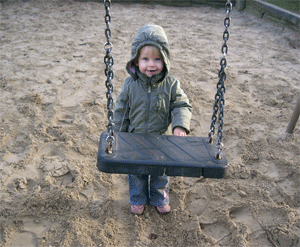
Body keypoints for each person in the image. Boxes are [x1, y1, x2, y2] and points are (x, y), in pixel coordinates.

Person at [114, 24, 192, 215]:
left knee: (161, 173)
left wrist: (179, 126)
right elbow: (121, 110)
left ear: (165, 59)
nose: (151, 64)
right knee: (137, 172)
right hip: (135, 139)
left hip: (161, 139)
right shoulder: (130, 84)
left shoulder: (171, 84)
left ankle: (159, 198)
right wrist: (118, 134)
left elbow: (181, 105)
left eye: (157, 59)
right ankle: (138, 199)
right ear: (136, 60)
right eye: (146, 59)